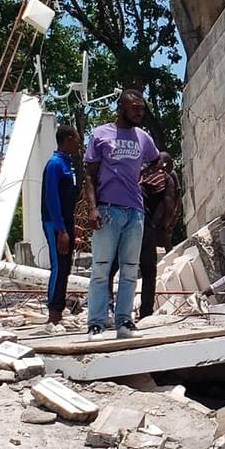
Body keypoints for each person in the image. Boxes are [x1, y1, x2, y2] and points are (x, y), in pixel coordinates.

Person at [84, 89, 160, 340]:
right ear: (122, 108)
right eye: (136, 108)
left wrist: (145, 174)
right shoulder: (100, 134)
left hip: (135, 212)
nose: (140, 112)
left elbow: (157, 160)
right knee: (101, 268)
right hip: (107, 210)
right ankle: (96, 323)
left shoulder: (143, 138)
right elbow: (89, 176)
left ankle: (124, 322)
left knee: (130, 269)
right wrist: (92, 208)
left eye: (142, 108)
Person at [40, 125, 83, 334]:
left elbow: (68, 199)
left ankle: (59, 313)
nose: (79, 143)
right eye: (77, 139)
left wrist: (70, 224)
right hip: (55, 223)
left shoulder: (68, 164)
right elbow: (52, 199)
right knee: (58, 265)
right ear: (67, 139)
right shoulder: (55, 164)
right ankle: (52, 316)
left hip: (66, 222)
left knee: (66, 266)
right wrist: (60, 229)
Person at [136, 151, 182, 319]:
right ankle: (146, 312)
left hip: (131, 220)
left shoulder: (140, 174)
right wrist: (166, 224)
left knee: (126, 266)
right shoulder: (166, 177)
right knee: (149, 270)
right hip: (149, 224)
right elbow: (170, 205)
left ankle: (114, 310)